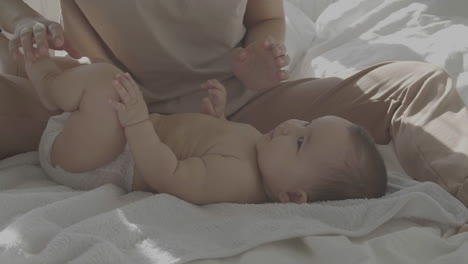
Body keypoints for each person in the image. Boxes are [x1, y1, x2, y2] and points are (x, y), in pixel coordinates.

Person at [0, 1, 467, 207]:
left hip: (235, 106)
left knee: (412, 81)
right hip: (112, 105)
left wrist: (260, 63)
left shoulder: (262, 152)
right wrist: (22, 18)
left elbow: (267, 19)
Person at [25, 56, 387, 204]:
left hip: (101, 162)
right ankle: (54, 72)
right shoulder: (258, 151)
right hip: (106, 141)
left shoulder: (239, 179)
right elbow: (209, 147)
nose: (293, 125)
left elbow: (169, 174)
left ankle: (45, 80)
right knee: (95, 78)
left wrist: (136, 122)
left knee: (107, 83)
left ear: (292, 197)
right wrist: (218, 119)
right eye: (306, 123)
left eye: (301, 141)